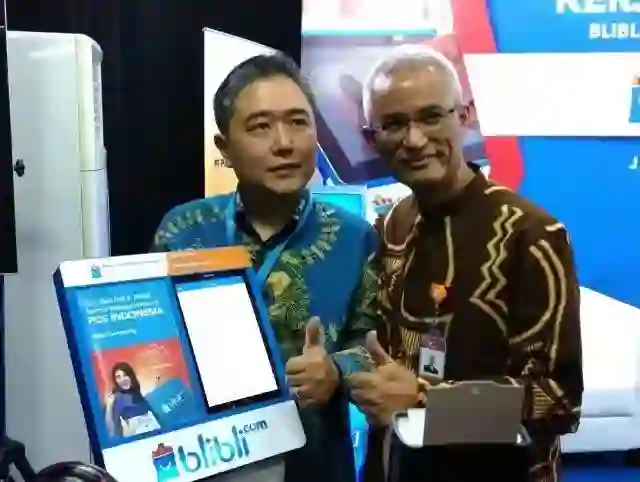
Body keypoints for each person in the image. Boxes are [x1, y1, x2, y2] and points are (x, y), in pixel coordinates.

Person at [347, 46, 583, 482]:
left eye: (432, 116)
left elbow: (559, 401)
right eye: (394, 124)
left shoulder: (530, 235)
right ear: (370, 138)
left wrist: (427, 400)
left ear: (464, 116)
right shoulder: (390, 226)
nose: (414, 140)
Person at [151, 53, 379, 482]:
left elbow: (375, 348)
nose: (284, 143)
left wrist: (335, 371)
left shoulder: (355, 238)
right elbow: (152, 345)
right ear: (225, 148)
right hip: (206, 462)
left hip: (312, 466)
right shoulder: (182, 230)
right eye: (260, 127)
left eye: (298, 122)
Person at [105, 362, 161, 438]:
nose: (122, 379)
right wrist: (109, 405)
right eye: (118, 377)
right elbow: (111, 430)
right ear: (115, 381)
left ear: (131, 376)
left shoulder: (137, 393)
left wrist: (156, 382)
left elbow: (147, 398)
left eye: (125, 375)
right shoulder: (117, 398)